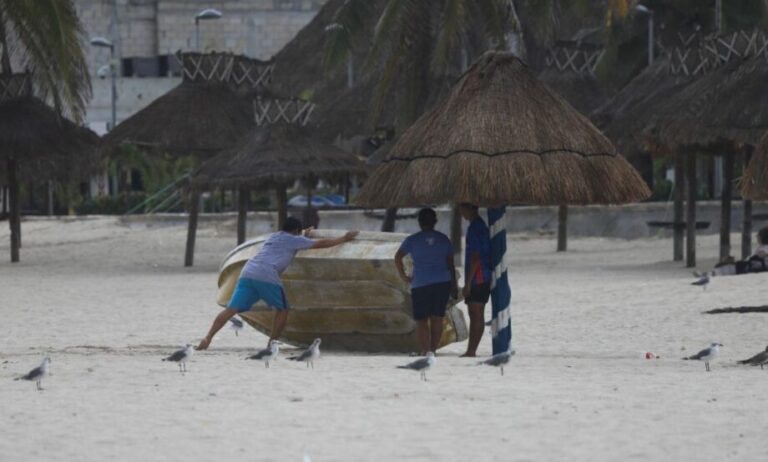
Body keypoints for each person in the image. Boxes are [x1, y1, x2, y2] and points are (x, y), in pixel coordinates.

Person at [197, 217, 358, 350]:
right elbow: (320, 244)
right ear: (296, 231)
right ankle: (271, 344)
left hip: (248, 271)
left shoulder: (274, 236)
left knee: (231, 309)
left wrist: (304, 235)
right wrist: (344, 238)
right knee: (283, 309)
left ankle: (207, 338)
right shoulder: (293, 240)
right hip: (266, 274)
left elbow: (294, 241)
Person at [395, 208, 458, 355]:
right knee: (437, 318)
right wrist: (454, 285)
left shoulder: (412, 240)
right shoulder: (444, 239)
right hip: (442, 283)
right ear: (435, 221)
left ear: (419, 222)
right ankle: (433, 350)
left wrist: (403, 275)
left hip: (420, 284)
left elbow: (398, 257)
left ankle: (425, 350)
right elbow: (450, 265)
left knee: (421, 320)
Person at [459, 203, 492, 357]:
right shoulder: (479, 226)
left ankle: (471, 350)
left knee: (476, 313)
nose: (461, 212)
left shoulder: (475, 228)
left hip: (478, 277)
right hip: (483, 275)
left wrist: (467, 283)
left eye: (462, 208)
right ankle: (471, 349)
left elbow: (475, 257)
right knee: (476, 313)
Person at [697, 226, 768, 278]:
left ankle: (709, 274)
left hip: (752, 266)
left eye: (758, 236)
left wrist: (760, 255)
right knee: (727, 264)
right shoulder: (761, 247)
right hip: (750, 265)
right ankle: (709, 274)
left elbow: (762, 255)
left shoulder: (765, 247)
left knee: (726, 265)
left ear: (762, 237)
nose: (756, 237)